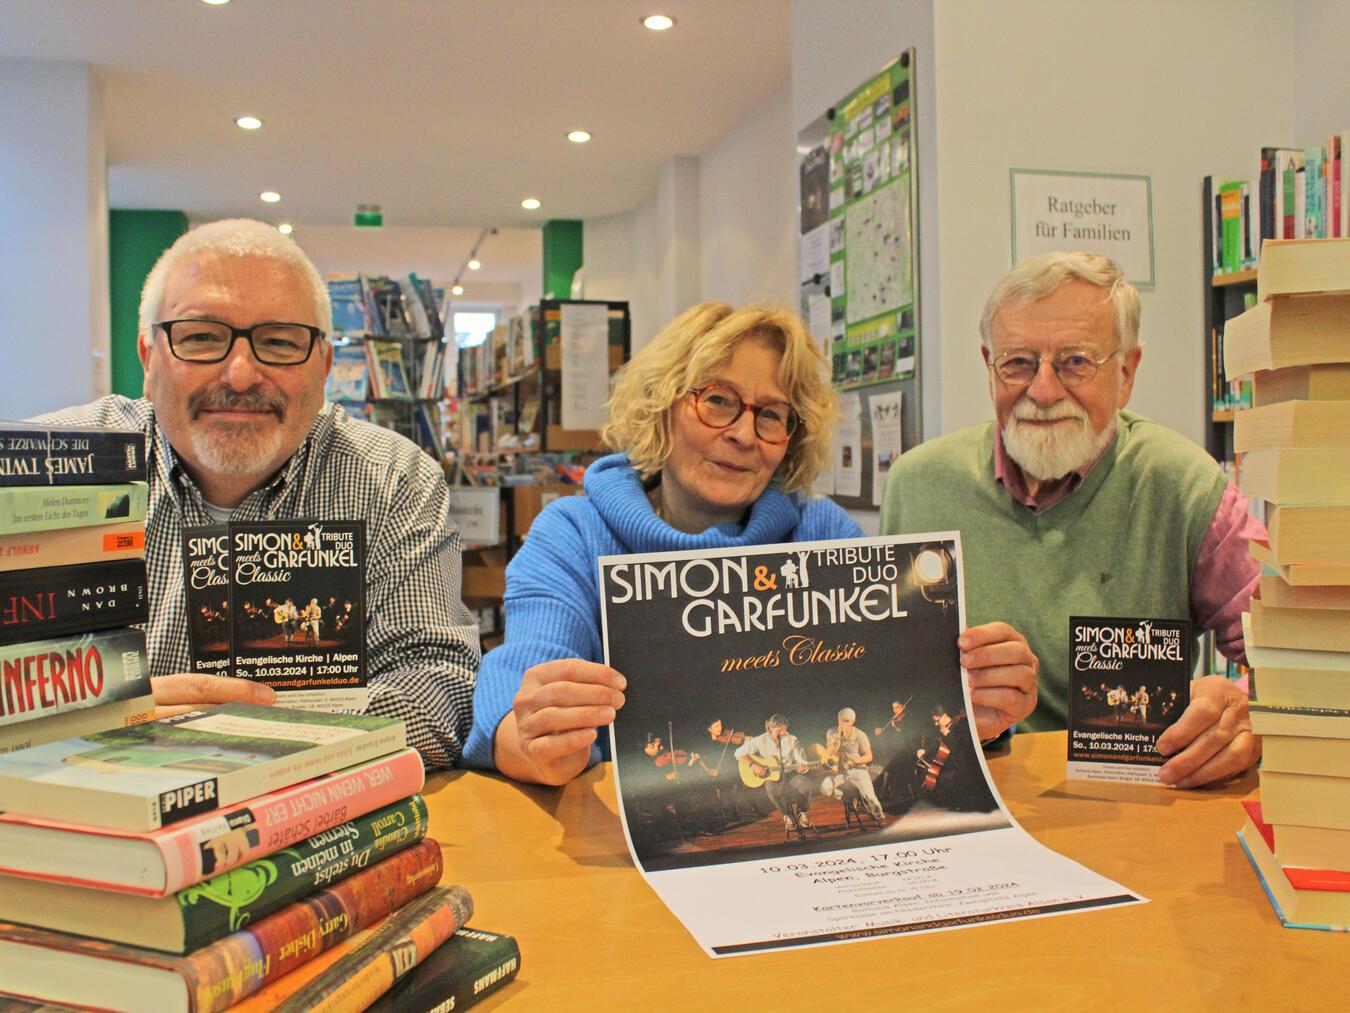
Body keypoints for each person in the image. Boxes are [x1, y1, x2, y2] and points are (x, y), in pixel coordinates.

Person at [462, 302, 1038, 784]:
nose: (742, 434)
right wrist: (537, 742)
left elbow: (893, 703)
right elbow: (508, 710)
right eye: (717, 400)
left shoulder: (821, 532)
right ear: (662, 405)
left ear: (790, 441)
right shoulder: (573, 533)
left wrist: (976, 708)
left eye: (771, 415)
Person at [31, 218, 479, 768]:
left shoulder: (393, 479)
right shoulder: (48, 467)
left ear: (324, 366)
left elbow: (438, 688)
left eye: (279, 343)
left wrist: (240, 740)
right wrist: (111, 712)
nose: (241, 375)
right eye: (200, 337)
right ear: (149, 360)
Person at [880, 252, 1264, 789]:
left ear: (1127, 372)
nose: (1043, 391)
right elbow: (882, 689)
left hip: (1135, 812)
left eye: (1076, 362)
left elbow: (1307, 663)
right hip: (959, 799)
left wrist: (1247, 711)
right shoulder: (916, 486)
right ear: (989, 366)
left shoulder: (1187, 487)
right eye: (1017, 363)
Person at [736, 714, 816, 836]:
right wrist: (754, 765)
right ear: (770, 729)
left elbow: (802, 760)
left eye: (785, 730)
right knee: (771, 789)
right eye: (779, 731)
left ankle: (802, 812)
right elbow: (739, 753)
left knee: (806, 784)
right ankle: (787, 816)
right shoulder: (760, 740)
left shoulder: (792, 740)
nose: (783, 733)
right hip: (772, 777)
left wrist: (802, 767)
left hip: (789, 775)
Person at [820, 707, 884, 822]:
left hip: (858, 770)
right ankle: (847, 798)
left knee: (870, 797)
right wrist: (837, 741)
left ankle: (878, 815)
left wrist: (854, 761)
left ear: (853, 722)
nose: (843, 723)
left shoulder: (860, 735)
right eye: (841, 720)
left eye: (847, 721)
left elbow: (869, 756)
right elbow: (830, 753)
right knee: (825, 787)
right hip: (841, 771)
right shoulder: (832, 732)